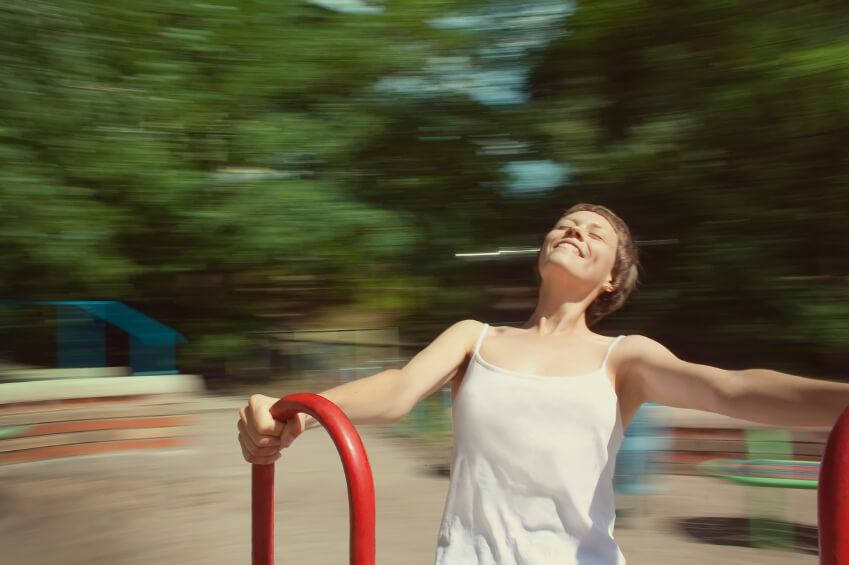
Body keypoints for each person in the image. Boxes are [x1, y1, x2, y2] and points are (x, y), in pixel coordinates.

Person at [237, 203, 849, 564]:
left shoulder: (622, 356)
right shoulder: (475, 337)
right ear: (542, 252)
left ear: (613, 278)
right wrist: (299, 412)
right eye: (565, 224)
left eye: (595, 232)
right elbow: (398, 389)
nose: (574, 230)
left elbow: (731, 390)